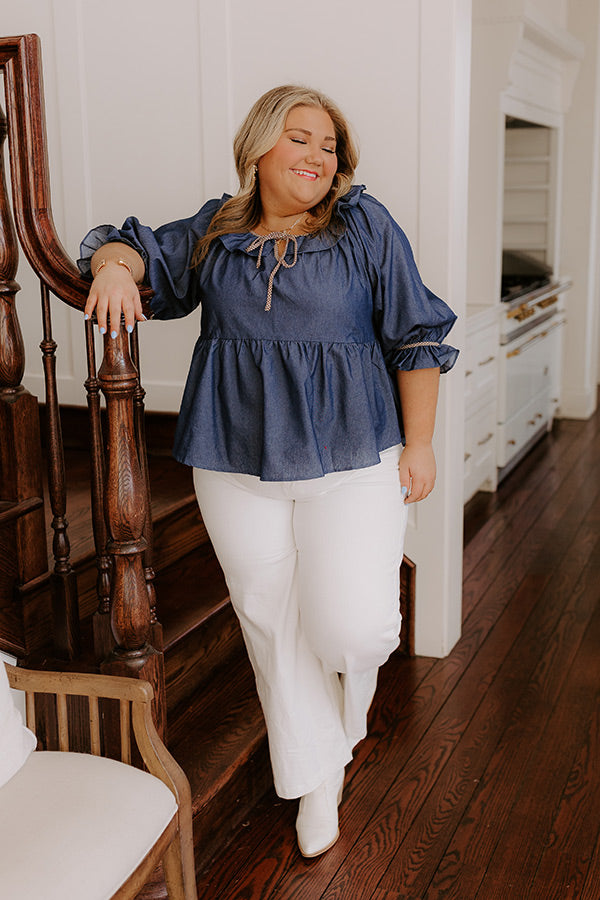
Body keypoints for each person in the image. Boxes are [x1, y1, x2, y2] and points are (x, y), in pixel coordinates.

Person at [79, 85, 458, 859]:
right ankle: (317, 775)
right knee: (269, 620)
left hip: (355, 454)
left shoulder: (363, 226)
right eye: (301, 138)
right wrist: (115, 268)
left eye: (330, 145)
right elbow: (132, 247)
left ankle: (337, 729)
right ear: (258, 147)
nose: (318, 155)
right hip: (234, 460)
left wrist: (419, 445)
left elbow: (417, 333)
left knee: (355, 630)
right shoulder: (217, 229)